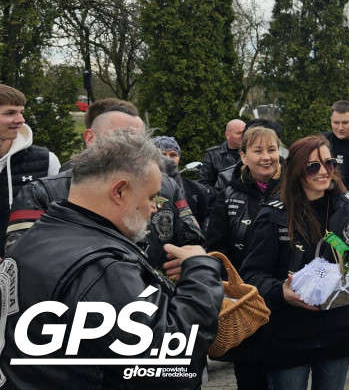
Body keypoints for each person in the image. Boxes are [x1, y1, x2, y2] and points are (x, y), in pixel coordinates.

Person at [0, 130, 223, 388]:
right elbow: (166, 364)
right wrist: (201, 269)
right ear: (119, 191)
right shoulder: (101, 267)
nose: (154, 208)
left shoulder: (36, 237)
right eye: (151, 197)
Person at [241, 135, 349, 390]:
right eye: (313, 166)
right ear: (296, 171)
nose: (324, 172)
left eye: (329, 163)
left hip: (338, 328)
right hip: (288, 334)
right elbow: (252, 272)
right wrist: (280, 292)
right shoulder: (274, 215)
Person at [5, 103, 204, 269]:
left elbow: (192, 241)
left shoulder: (166, 184)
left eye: (141, 141)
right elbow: (22, 261)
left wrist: (187, 262)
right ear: (90, 139)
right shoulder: (42, 192)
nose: (135, 149)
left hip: (153, 304)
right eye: (123, 138)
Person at [205, 125, 282, 390]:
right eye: (258, 150)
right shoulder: (227, 197)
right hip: (245, 307)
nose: (266, 157)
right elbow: (216, 249)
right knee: (250, 380)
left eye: (272, 149)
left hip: (286, 306)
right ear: (243, 156)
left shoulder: (295, 192)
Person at [0, 84, 60, 246]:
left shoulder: (47, 161)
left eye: (21, 112)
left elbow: (59, 219)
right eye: (10, 113)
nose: (21, 120)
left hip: (30, 264)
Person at [153, 135, 213, 231]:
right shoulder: (144, 187)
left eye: (173, 155)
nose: (168, 159)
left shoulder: (197, 190)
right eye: (163, 155)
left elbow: (206, 217)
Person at [199, 118, 246, 190]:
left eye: (244, 133)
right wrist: (219, 196)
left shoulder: (252, 153)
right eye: (239, 133)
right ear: (227, 135)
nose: (243, 136)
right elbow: (204, 183)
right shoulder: (212, 155)